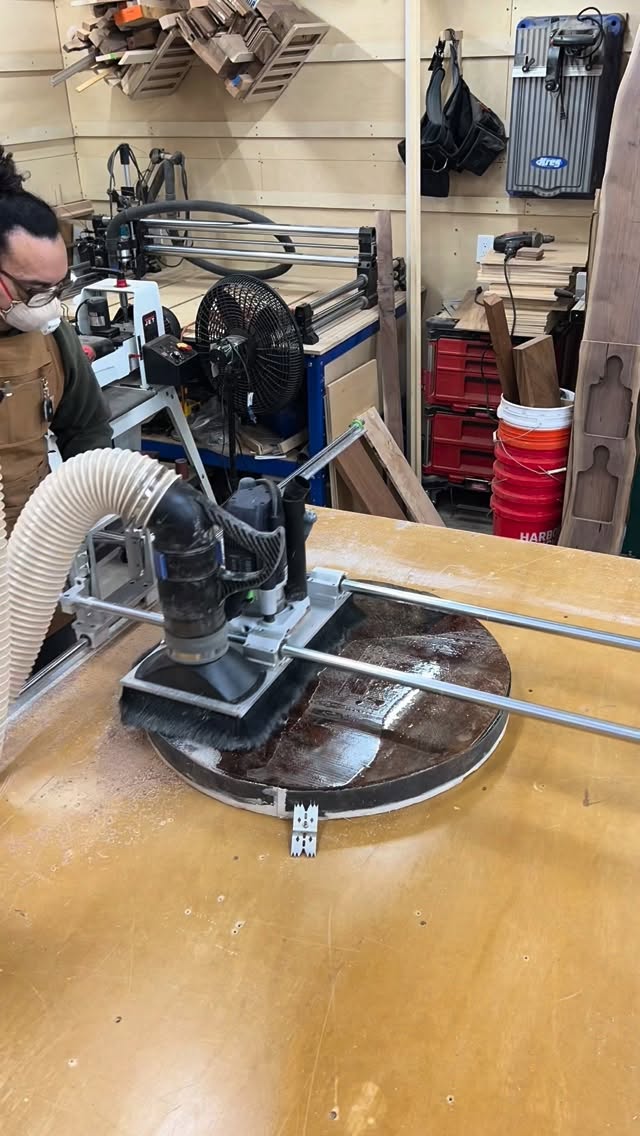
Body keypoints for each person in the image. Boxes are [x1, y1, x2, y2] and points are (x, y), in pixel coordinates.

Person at [0, 146, 113, 666]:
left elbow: (88, 428)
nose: (47, 303)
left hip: (38, 581)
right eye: (32, 289)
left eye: (57, 287)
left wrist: (71, 521)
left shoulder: (49, 334)